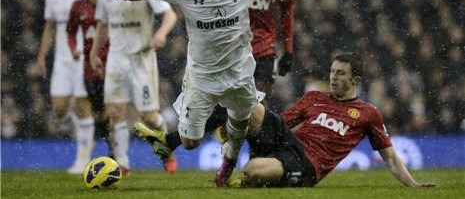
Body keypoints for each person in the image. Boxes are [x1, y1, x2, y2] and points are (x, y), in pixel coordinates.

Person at [115, 0, 295, 186]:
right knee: (190, 141)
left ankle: (226, 167)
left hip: (240, 71)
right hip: (202, 77)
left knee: (240, 125)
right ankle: (174, 143)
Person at [136, 52, 437, 188]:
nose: (333, 77)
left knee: (253, 171)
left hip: (307, 166)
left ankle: (234, 156)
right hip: (288, 142)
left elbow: (390, 157)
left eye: (340, 74)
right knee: (246, 101)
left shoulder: (368, 113)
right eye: (331, 72)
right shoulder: (314, 98)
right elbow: (281, 121)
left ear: (356, 79)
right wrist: (246, 123)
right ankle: (172, 140)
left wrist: (412, 184)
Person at [90, 0, 178, 175]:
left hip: (142, 58)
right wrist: (94, 53)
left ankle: (166, 150)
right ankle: (122, 163)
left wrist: (160, 34)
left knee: (147, 116)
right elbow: (103, 26)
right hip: (116, 59)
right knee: (115, 112)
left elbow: (169, 15)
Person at [36, 0, 91, 174]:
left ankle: (82, 159)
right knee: (59, 108)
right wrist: (41, 56)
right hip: (61, 58)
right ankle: (85, 127)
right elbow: (50, 26)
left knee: (81, 106)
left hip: (83, 56)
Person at [66, 0, 110, 151]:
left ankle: (115, 149)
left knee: (113, 108)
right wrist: (74, 48)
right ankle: (109, 142)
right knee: (99, 111)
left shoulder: (111, 2)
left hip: (113, 62)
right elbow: (70, 32)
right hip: (90, 65)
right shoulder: (78, 6)